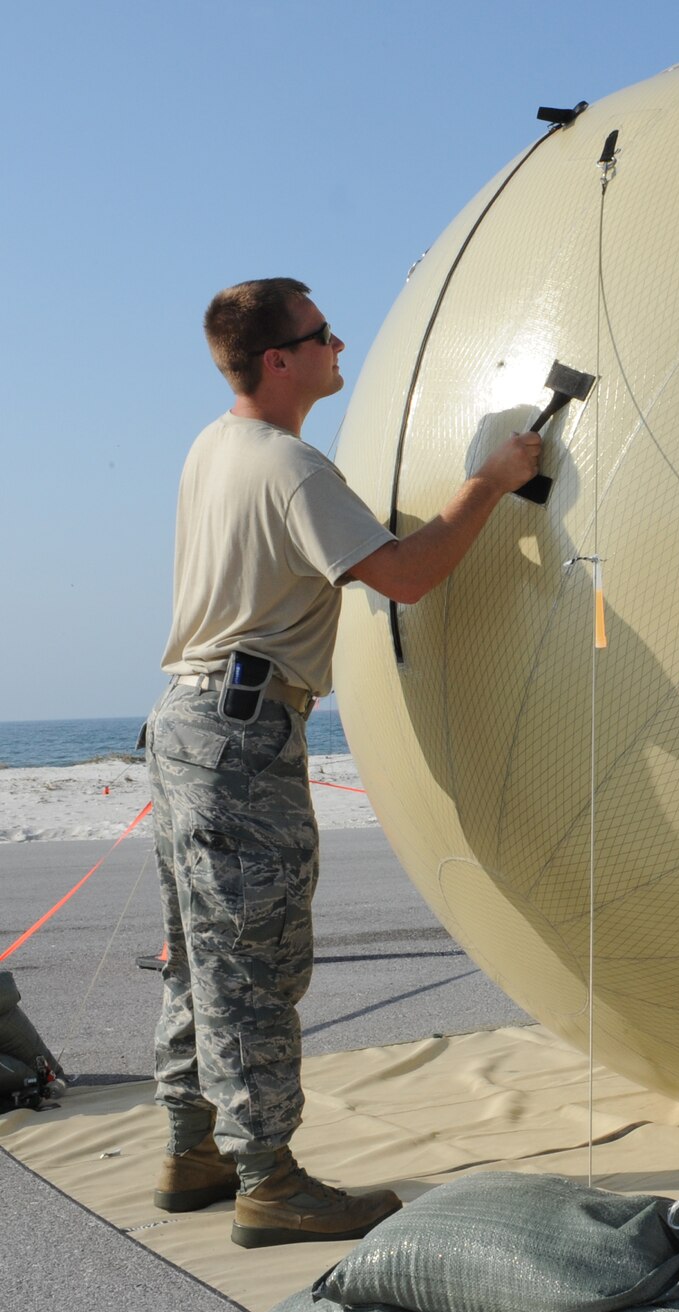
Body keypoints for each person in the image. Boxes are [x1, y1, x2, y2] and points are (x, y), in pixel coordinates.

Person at [148, 278, 542, 1247]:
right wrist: (491, 480)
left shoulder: (216, 447)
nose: (339, 344)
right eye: (320, 335)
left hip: (187, 726)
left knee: (199, 953)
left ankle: (192, 1146)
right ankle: (268, 1180)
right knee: (253, 960)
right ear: (278, 360)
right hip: (240, 737)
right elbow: (405, 577)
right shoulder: (288, 466)